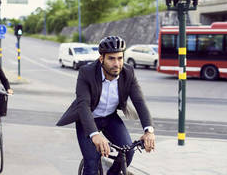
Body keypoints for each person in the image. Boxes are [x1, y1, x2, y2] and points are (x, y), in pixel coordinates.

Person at [56, 36, 155, 175]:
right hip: (87, 119)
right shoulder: (86, 72)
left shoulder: (128, 72)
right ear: (101, 59)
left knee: (128, 152)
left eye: (120, 58)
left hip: (110, 118)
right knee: (92, 162)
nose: (117, 63)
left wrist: (149, 131)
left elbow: (139, 101)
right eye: (111, 58)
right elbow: (83, 105)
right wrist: (94, 134)